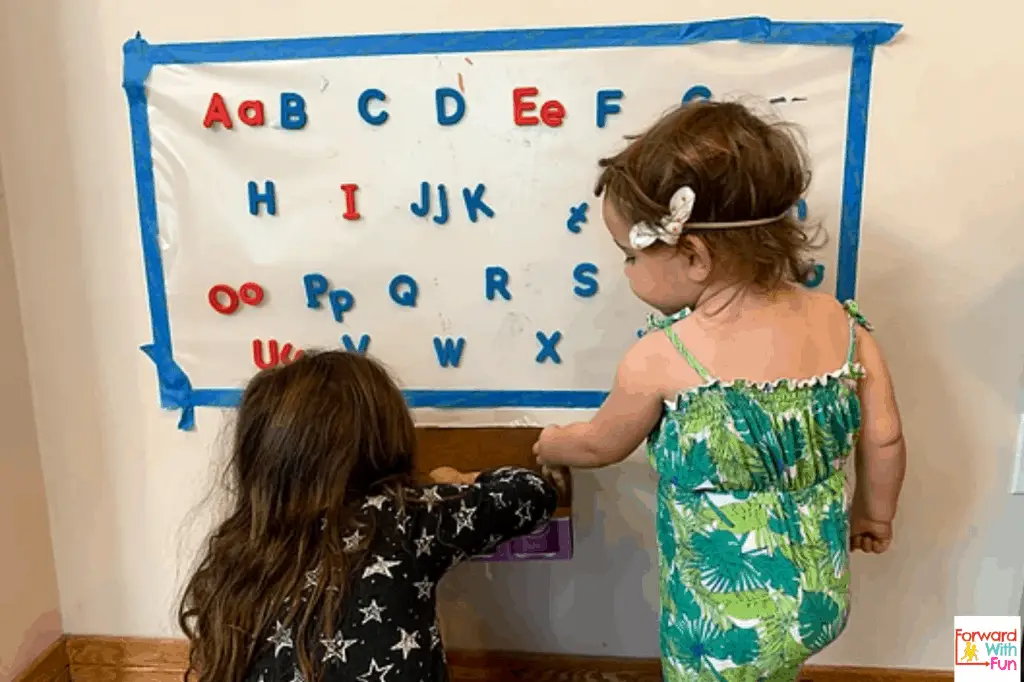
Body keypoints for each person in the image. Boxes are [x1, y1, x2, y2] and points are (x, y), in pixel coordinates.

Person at [533, 100, 906, 681]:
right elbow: (885, 437)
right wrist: (874, 516)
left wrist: (550, 442)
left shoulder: (662, 357)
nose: (626, 270)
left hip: (723, 620)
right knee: (776, 667)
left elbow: (600, 445)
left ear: (694, 255)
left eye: (631, 256)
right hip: (820, 597)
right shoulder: (844, 325)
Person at [178, 350, 564, 682]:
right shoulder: (401, 515)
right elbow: (531, 493)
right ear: (382, 442)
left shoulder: (241, 550)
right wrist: (460, 480)